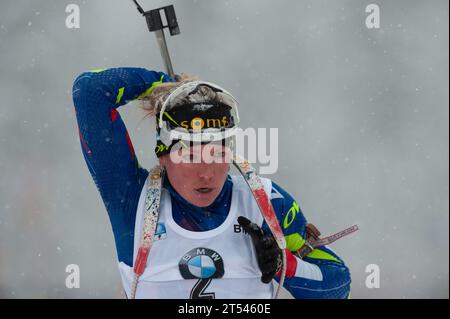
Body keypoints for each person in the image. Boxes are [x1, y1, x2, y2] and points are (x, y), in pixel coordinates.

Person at [72, 67, 352, 299]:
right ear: (163, 156)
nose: (206, 172)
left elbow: (339, 286)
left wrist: (285, 265)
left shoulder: (265, 202)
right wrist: (168, 85)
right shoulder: (134, 200)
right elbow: (90, 91)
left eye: (217, 153)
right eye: (190, 155)